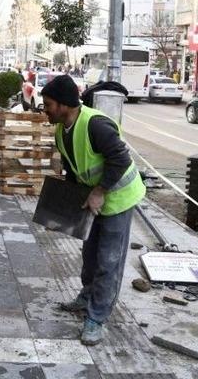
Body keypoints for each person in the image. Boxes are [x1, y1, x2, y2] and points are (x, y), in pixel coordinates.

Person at [40, 75, 146, 346]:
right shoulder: (61, 129)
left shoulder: (95, 125)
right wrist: (62, 209)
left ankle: (96, 318)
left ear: (64, 105)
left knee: (109, 261)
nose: (45, 109)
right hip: (93, 199)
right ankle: (87, 296)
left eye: (48, 104)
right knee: (89, 255)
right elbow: (74, 169)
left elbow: (120, 159)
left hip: (118, 198)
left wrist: (99, 192)